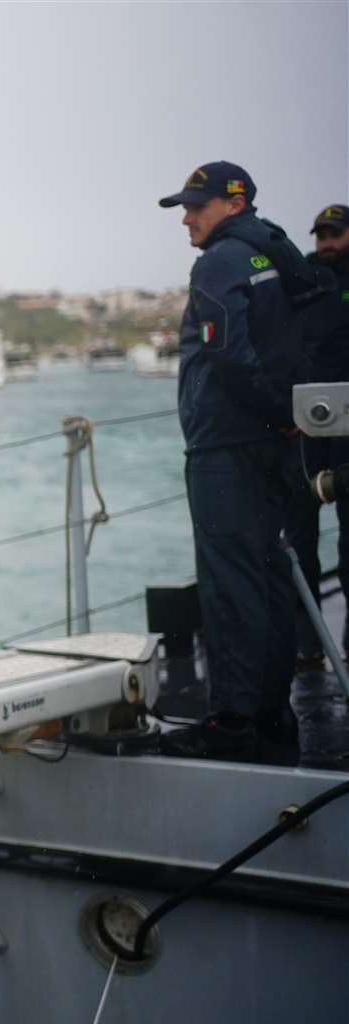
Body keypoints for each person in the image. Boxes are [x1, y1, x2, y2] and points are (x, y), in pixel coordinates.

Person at [157, 161, 316, 761]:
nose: (187, 218)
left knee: (231, 585)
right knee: (272, 579)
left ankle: (232, 722)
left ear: (234, 202)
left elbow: (225, 353)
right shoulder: (275, 252)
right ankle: (274, 715)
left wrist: (272, 410)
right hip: (275, 444)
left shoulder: (221, 261)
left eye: (196, 206)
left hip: (227, 444)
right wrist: (286, 418)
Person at [286, 205, 349, 661]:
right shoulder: (303, 278)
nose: (326, 243)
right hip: (306, 423)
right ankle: (307, 642)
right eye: (321, 235)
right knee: (300, 533)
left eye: (335, 234)